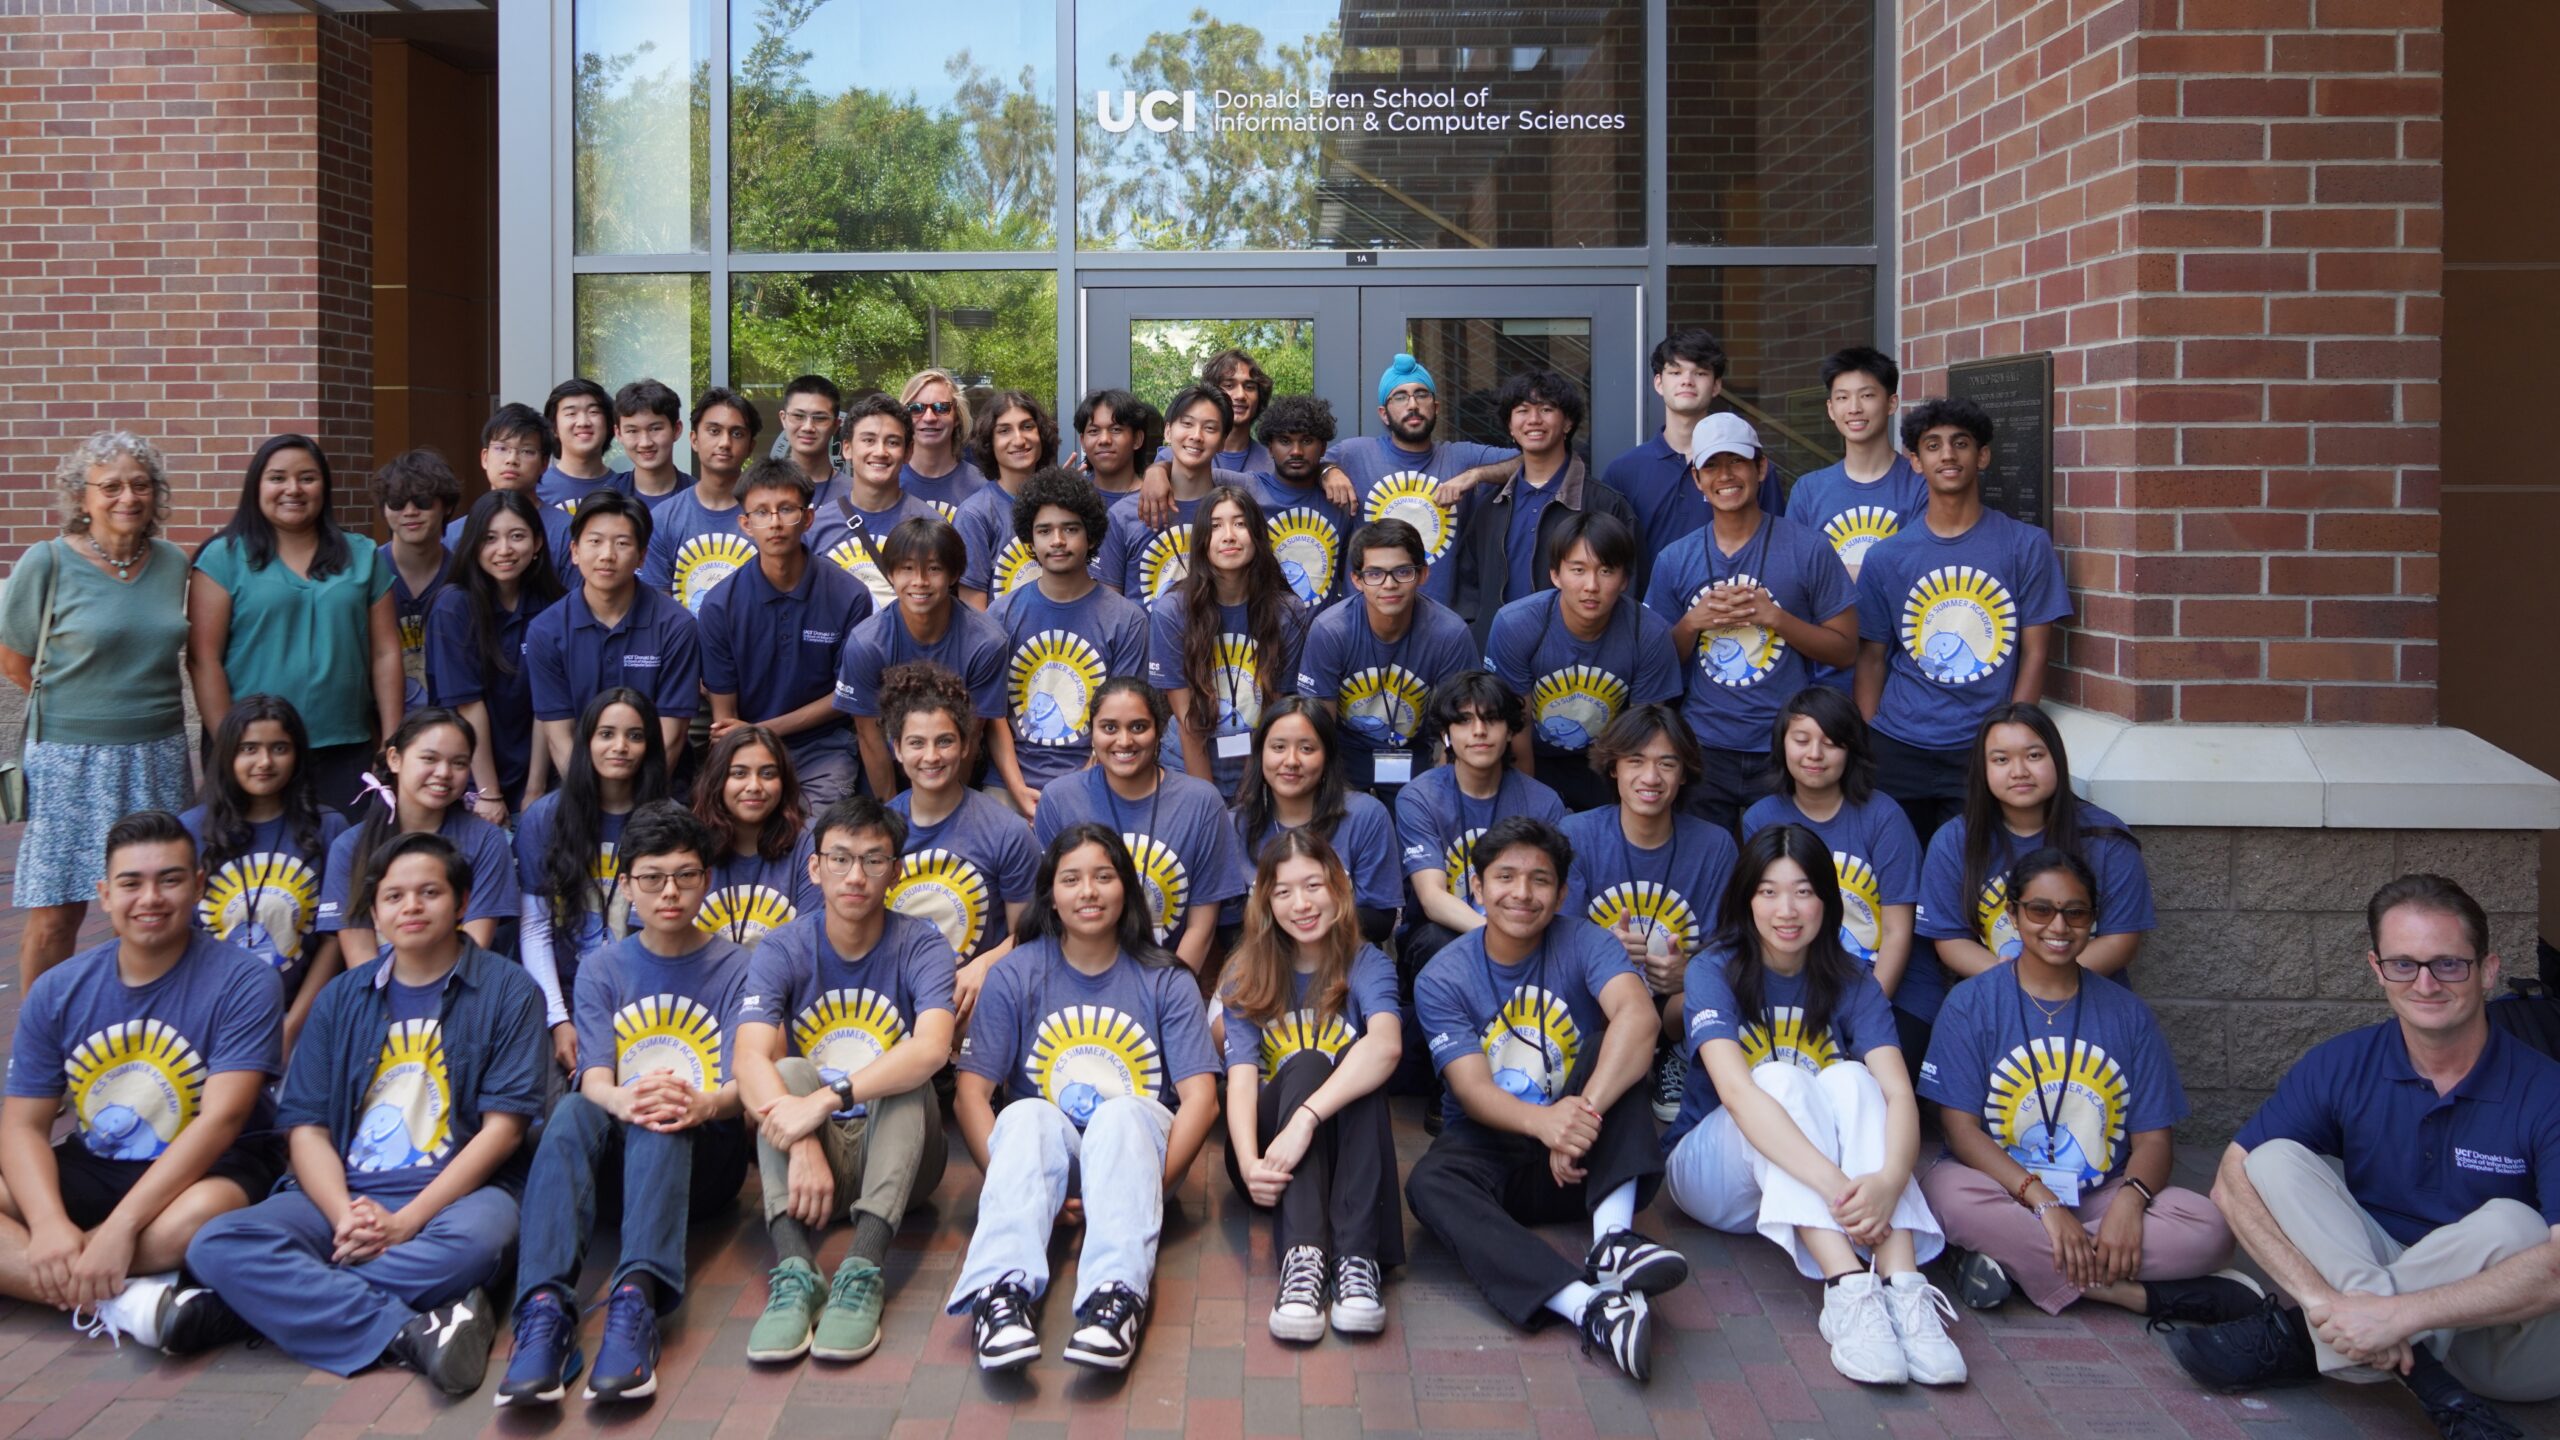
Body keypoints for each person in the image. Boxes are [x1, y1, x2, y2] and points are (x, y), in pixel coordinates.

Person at [2167, 875, 2560, 1438]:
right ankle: (2421, 1379)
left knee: (2515, 1224)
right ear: (2377, 969)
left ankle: (2306, 1340)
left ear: (2489, 970)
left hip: (2504, 1346)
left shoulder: (2546, 1090)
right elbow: (2230, 1183)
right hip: (2370, 1295)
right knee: (2272, 1159)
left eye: (2448, 964)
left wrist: (2394, 1316)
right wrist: (2319, 1296)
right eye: (2404, 964)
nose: (2425, 983)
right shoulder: (2343, 1062)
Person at [171, 831, 549, 1391]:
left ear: (462, 903)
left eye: (429, 893)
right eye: (394, 897)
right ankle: (408, 1332)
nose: (411, 907)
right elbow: (306, 1129)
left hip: (454, 1199)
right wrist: (346, 1214)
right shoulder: (341, 997)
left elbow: (503, 1132)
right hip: (338, 1195)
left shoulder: (510, 991)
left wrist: (405, 1222)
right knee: (215, 1242)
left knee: (482, 1242)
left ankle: (260, 1304)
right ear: (374, 911)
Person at [1657, 824, 1963, 1388]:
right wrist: (1840, 1189)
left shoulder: (1852, 979)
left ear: (1826, 897)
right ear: (1745, 898)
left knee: (1851, 1078)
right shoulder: (1714, 967)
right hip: (1711, 1173)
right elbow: (1738, 1094)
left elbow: (1896, 1093)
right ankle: (1847, 1287)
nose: (1786, 909)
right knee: (1778, 1078)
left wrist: (1891, 1179)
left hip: (1813, 1190)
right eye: (1768, 891)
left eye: (1803, 891)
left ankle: (1902, 1288)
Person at [1918, 849, 2254, 1326]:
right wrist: (2043, 1202)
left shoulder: (2128, 1014)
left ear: (2093, 920)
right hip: (2006, 1188)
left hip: (2101, 1193)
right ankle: (2129, 1295)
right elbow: (1959, 1130)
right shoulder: (1971, 1003)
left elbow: (2155, 1140)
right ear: (2012, 915)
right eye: (2040, 910)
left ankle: (2018, 1264)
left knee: (2210, 1227)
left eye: (2075, 912)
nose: (2058, 926)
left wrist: (2130, 1203)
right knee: (1944, 1195)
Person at [1405, 815, 1684, 1383]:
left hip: (1581, 1156)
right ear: (1477, 888)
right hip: (1493, 1148)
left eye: (1540, 879)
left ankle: (1613, 1243)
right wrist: (1542, 1124)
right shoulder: (1443, 976)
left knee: (1617, 1045)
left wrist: (1582, 1115)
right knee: (1429, 1183)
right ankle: (1586, 1305)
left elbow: (1639, 1016)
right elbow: (1472, 1090)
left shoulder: (1587, 941)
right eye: (1505, 877)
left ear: (1560, 893)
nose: (1523, 893)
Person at [498, 802, 753, 1406]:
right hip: (617, 1162)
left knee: (664, 1111)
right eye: (651, 878)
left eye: (686, 876)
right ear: (626, 884)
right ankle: (543, 1313)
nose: (670, 892)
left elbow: (749, 1083)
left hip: (706, 1162)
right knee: (573, 1111)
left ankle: (635, 1301)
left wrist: (701, 1103)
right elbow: (594, 1082)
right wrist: (629, 1098)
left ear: (706, 881)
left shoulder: (740, 966)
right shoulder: (601, 968)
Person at [946, 825, 1221, 1373]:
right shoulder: (1016, 974)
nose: (1088, 892)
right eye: (1071, 879)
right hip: (1040, 1160)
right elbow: (970, 1095)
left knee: (1120, 1113)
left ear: (1127, 889)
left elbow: (1201, 1101)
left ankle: (1113, 1301)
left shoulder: (1167, 980)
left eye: (1103, 876)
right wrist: (1014, 1183)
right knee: (1023, 1113)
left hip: (1137, 1155)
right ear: (1051, 893)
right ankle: (1000, 1296)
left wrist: (1148, 1186)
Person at [0, 812, 283, 1344]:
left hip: (209, 1167)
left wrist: (121, 1228)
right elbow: (21, 1128)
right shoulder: (58, 989)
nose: (150, 897)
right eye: (131, 883)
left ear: (198, 886)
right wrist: (46, 1226)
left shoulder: (245, 980)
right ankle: (126, 1301)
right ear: (105, 895)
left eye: (170, 879)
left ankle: (75, 1277)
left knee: (204, 1220)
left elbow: (221, 1120)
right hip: (98, 1161)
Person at [734, 794, 955, 1364]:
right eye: (840, 859)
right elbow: (747, 1061)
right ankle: (793, 1271)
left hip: (902, 1159)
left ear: (895, 871)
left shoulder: (922, 944)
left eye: (874, 860)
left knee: (908, 1071)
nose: (856, 875)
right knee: (783, 1070)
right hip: (815, 1166)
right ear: (815, 868)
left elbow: (934, 1047)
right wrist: (803, 1133)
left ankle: (863, 1268)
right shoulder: (783, 946)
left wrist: (825, 1101)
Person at [3, 432, 196, 991]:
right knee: (56, 911)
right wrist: (82, 706)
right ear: (81, 497)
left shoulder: (172, 564)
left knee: (149, 908)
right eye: (109, 486)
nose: (127, 497)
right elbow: (14, 658)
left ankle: (129, 1030)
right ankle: (43, 1041)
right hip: (70, 758)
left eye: (140, 484)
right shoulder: (48, 561)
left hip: (156, 754)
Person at [1853, 396, 2070, 840]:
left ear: (1983, 455)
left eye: (1961, 443)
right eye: (1932, 445)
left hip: (1982, 744)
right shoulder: (1886, 557)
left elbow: (2035, 654)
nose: (1947, 454)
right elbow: (1871, 656)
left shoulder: (2026, 545)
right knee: (1898, 876)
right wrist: (1872, 737)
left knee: (1973, 875)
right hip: (1900, 744)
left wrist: (2012, 741)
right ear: (1916, 461)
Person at [1220, 832, 1404, 1342]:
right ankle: (1303, 1262)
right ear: (1266, 901)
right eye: (1283, 892)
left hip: (1337, 1149)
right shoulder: (1245, 970)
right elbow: (1239, 1080)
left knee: (1358, 1058)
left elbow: (1387, 1046)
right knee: (1303, 1063)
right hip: (1266, 1157)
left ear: (1339, 889)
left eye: (1313, 885)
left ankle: (1355, 1262)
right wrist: (1249, 1160)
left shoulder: (1367, 963)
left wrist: (1308, 1119)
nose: (1301, 904)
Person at [1903, 703, 2154, 1062]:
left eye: (2034, 755)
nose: (2019, 771)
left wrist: (2051, 985)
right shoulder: (1955, 841)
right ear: (1983, 769)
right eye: (2001, 760)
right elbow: (1950, 940)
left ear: (2057, 760)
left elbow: (2121, 940)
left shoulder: (2106, 840)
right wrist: (2018, 987)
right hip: (1996, 1001)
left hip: (2089, 999)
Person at [1644, 414, 1859, 831]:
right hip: (1704, 744)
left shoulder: (1809, 548)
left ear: (1760, 468)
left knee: (1783, 869)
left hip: (1786, 745)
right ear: (1696, 479)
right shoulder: (1675, 557)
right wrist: (1692, 624)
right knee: (1713, 872)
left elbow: (1847, 649)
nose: (1725, 476)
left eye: (1737, 462)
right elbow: (1654, 663)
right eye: (1712, 466)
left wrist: (1776, 618)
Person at [190, 433, 404, 814]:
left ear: (324, 484)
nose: (293, 489)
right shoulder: (222, 558)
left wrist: (391, 739)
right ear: (256, 485)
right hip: (254, 751)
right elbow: (203, 659)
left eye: (307, 477)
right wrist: (230, 746)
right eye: (277, 478)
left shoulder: (363, 555)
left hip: (344, 747)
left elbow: (386, 653)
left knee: (344, 861)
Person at [1562, 706, 1741, 1125]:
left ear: (1684, 773)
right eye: (1635, 761)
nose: (1650, 777)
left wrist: (1691, 973)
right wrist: (1604, 951)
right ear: (1613, 768)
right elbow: (1560, 935)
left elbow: (1731, 946)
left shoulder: (1715, 846)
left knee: (1718, 986)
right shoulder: (1576, 835)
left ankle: (1676, 1059)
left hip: (1676, 1004)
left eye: (1667, 763)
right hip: (1602, 1000)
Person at [1032, 678, 1249, 979]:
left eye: (1138, 727)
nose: (1124, 741)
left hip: (1170, 978)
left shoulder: (1201, 803)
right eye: (1109, 727)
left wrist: (1169, 996)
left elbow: (1202, 926)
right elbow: (1048, 914)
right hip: (1079, 979)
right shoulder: (1059, 799)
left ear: (1158, 730)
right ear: (1091, 732)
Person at [181, 696, 352, 1051]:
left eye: (279, 748)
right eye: (249, 749)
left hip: (298, 1017)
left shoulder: (329, 828)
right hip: (208, 1021)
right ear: (228, 754)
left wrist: (294, 1025)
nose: (264, 762)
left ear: (297, 756)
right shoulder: (191, 831)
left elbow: (333, 939)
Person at [1483, 509, 1681, 813]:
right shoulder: (1517, 624)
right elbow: (1515, 730)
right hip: (1537, 756)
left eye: (1605, 571)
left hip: (1608, 762)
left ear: (1625, 579)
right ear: (1555, 574)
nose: (1591, 585)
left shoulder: (1649, 633)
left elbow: (1643, 737)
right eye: (1578, 570)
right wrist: (1529, 814)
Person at [700, 460, 871, 808]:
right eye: (761, 513)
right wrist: (753, 744)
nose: (775, 522)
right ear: (746, 525)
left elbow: (844, 697)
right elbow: (724, 719)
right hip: (745, 752)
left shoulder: (848, 595)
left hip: (823, 750)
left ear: (807, 519)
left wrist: (765, 729)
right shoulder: (720, 605)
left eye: (786, 510)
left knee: (816, 843)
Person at [517, 689, 673, 1071]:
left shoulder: (670, 821)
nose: (620, 746)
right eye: (606, 734)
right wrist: (558, 1019)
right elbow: (535, 927)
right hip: (563, 996)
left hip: (647, 998)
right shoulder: (544, 818)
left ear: (649, 747)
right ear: (586, 741)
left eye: (635, 736)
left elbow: (676, 931)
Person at [1741, 687, 1922, 1002]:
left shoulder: (1884, 817)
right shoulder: (1761, 818)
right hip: (1798, 983)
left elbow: (1897, 932)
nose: (1814, 754)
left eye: (1830, 743)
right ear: (1781, 744)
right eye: (1801, 741)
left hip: (1884, 983)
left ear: (1851, 749)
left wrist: (1869, 1013)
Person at [878, 662, 1037, 1012]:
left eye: (945, 741)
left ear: (965, 745)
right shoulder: (877, 831)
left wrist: (986, 964)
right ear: (897, 749)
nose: (931, 756)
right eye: (916, 743)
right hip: (892, 999)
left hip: (974, 1002)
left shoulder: (1005, 831)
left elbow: (1029, 937)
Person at [833, 516, 1024, 806]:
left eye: (933, 569)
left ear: (954, 573)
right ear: (890, 574)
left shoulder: (985, 641)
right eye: (907, 569)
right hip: (887, 768)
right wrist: (891, 810)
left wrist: (946, 807)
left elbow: (971, 736)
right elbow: (868, 735)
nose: (920, 582)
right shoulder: (867, 642)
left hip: (951, 764)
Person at [1394, 672, 1569, 981]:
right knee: (1438, 939)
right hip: (1441, 937)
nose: (1478, 731)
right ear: (1446, 733)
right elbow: (1432, 899)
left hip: (1525, 932)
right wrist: (1499, 935)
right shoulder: (1420, 797)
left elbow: (1552, 894)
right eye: (1463, 721)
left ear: (1510, 730)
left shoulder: (1544, 802)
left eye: (1491, 719)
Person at [992, 469, 1149, 807]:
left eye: (1071, 529)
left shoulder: (1126, 620)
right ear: (1030, 540)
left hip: (1100, 776)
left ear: (1091, 537)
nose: (1058, 541)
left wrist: (1076, 793)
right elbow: (993, 716)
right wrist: (1018, 790)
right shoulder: (1001, 615)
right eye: (1045, 531)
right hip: (1009, 780)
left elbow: (1123, 718)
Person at [315, 706, 517, 969]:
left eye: (459, 763)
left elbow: (475, 945)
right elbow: (360, 962)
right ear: (394, 759)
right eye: (430, 759)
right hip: (378, 998)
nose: (444, 773)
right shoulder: (350, 846)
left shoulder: (486, 839)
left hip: (460, 992)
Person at [1449, 369, 1639, 645]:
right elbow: (1468, 585)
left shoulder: (1605, 505)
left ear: (1568, 423)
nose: (1534, 420)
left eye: (1547, 409)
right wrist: (1476, 631)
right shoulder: (1491, 506)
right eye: (1522, 410)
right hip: (1497, 661)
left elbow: (1628, 587)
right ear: (1510, 427)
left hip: (1576, 662)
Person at [1296, 518, 1479, 793]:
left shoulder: (1449, 634)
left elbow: (1458, 729)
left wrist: (1439, 794)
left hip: (1418, 760)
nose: (1389, 584)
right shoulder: (1330, 631)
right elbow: (1317, 729)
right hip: (1345, 762)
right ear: (1357, 580)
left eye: (1402, 572)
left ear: (1423, 574)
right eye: (1375, 574)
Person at [1321, 353, 1517, 608]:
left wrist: (1475, 475)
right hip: (1366, 620)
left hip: (1438, 622)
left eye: (1421, 394)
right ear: (1383, 413)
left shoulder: (1461, 457)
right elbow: (1301, 462)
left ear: (1435, 407)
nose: (1412, 404)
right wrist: (1328, 471)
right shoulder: (1355, 454)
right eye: (1400, 396)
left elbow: (1527, 461)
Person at [1148, 484, 1309, 795]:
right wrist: (1207, 803)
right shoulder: (1172, 611)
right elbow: (1187, 722)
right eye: (1216, 526)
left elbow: (1276, 711)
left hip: (1262, 760)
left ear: (1258, 535)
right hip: (1186, 761)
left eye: (1240, 523)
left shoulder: (1288, 611)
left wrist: (1251, 792)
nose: (1229, 536)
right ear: (1202, 541)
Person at [527, 488, 699, 768]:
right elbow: (560, 739)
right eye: (595, 541)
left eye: (621, 543)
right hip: (578, 784)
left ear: (642, 556)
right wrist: (591, 805)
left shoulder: (676, 626)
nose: (607, 555)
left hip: (658, 787)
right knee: (539, 814)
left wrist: (639, 808)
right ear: (575, 551)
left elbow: (672, 737)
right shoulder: (546, 631)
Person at [426, 489, 566, 822]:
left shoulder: (552, 605)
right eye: (489, 538)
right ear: (473, 545)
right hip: (469, 778)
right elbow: (467, 705)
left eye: (517, 536)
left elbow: (548, 707)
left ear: (537, 543)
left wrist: (534, 789)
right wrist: (489, 793)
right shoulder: (453, 606)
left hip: (536, 772)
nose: (504, 550)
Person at [1599, 329, 1784, 572]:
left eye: (1700, 373)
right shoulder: (1624, 471)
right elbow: (1608, 558)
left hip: (1736, 604)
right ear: (1658, 383)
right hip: (1651, 608)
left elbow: (1776, 546)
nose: (1687, 380)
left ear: (1716, 385)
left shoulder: (1747, 466)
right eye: (1675, 372)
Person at [1229, 699, 1400, 945]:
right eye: (1278, 747)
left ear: (1327, 757)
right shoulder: (1234, 825)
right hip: (1264, 963)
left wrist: (1300, 925)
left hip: (1345, 959)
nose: (1291, 761)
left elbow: (1379, 920)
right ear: (1260, 755)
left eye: (1307, 749)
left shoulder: (1365, 815)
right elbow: (1228, 926)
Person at [1786, 348, 1926, 590]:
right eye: (1842, 398)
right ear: (1830, 408)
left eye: (1867, 395)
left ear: (1892, 403)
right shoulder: (1808, 490)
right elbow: (1794, 573)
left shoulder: (1919, 484)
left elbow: (1920, 571)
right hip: (1827, 627)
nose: (1854, 408)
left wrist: (1833, 573)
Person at [692, 724, 820, 951]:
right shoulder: (689, 844)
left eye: (768, 774)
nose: (754, 786)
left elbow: (809, 947)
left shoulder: (807, 848)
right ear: (718, 781)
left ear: (784, 782)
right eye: (739, 773)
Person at [638, 386, 763, 613]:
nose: (725, 443)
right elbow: (658, 610)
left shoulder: (768, 516)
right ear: (694, 440)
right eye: (714, 431)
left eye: (737, 434)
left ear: (751, 447)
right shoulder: (664, 518)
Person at [813, 393, 940, 611]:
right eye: (868, 440)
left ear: (908, 452)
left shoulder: (931, 524)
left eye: (892, 442)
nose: (880, 452)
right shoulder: (816, 527)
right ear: (847, 448)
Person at [1103, 384, 1229, 603]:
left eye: (1210, 428)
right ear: (1168, 431)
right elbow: (1108, 606)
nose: (1196, 436)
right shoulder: (1123, 515)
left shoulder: (1233, 512)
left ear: (1223, 442)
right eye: (1187, 424)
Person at [371, 449, 458, 713]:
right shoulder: (366, 575)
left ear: (447, 506)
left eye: (422, 500)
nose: (410, 511)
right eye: (397, 502)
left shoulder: (465, 576)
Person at [1250, 396, 1356, 608]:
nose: (1297, 451)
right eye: (1285, 441)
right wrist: (1162, 470)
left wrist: (1328, 469)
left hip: (1323, 637)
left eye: (1307, 441)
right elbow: (1191, 474)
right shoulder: (1248, 488)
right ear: (1270, 448)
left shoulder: (1340, 500)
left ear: (1323, 447)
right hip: (1265, 635)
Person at [955, 388, 1057, 608]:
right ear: (989, 442)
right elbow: (975, 612)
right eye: (1004, 430)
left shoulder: (1062, 503)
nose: (1018, 440)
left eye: (1027, 427)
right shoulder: (975, 514)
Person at [449, 403, 575, 575]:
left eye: (526, 451)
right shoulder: (454, 534)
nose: (511, 459)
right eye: (501, 448)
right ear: (485, 458)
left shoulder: (567, 531)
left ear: (544, 464)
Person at [898, 368, 983, 515]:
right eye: (916, 408)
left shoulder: (981, 488)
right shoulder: (889, 482)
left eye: (941, 408)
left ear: (956, 417)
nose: (929, 418)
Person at [539, 378, 627, 513]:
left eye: (593, 412)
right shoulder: (537, 489)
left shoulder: (627, 488)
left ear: (608, 424)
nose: (583, 422)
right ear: (554, 427)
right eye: (571, 413)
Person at [613, 378, 694, 511]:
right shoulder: (606, 499)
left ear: (677, 429)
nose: (645, 443)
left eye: (655, 429)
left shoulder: (699, 498)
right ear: (618, 433)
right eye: (632, 431)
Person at [1072, 388, 1157, 500]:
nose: (1104, 440)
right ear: (1082, 442)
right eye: (1094, 431)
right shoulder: (1072, 497)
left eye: (1116, 429)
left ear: (1137, 439)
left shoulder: (1154, 499)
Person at [774, 374, 842, 490]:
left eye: (820, 418)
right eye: (798, 416)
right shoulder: (760, 490)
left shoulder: (855, 495)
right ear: (783, 419)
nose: (808, 427)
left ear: (836, 425)